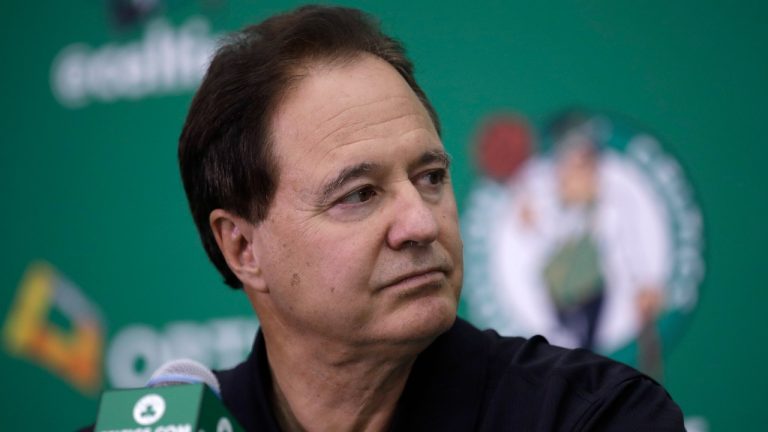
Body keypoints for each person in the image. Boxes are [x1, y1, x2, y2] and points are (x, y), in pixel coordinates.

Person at [177, 5, 684, 431]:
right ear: (243, 247)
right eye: (359, 195)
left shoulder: (596, 416)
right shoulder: (170, 421)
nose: (421, 224)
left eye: (431, 178)